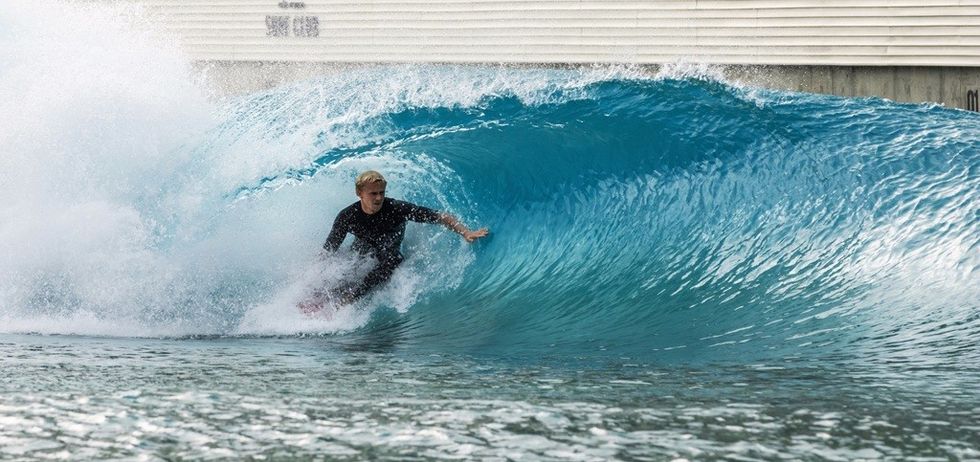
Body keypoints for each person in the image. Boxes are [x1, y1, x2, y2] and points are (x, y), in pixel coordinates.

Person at [320, 170, 488, 304]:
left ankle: (351, 299)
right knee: (347, 267)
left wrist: (466, 232)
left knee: (392, 260)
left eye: (381, 192)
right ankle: (319, 298)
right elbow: (329, 250)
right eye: (373, 194)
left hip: (389, 251)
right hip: (363, 248)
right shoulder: (347, 216)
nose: (379, 198)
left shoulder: (396, 208)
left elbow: (440, 216)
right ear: (359, 193)